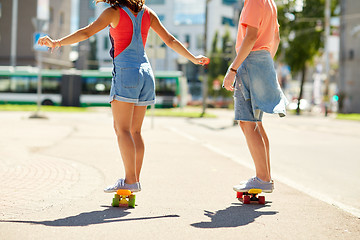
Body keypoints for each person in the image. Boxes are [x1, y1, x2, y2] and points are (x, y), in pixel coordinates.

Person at [38, 0, 208, 193]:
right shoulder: (147, 13)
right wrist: (193, 58)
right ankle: (133, 180)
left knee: (122, 130)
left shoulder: (113, 13)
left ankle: (130, 180)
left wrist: (57, 42)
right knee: (135, 131)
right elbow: (170, 40)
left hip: (127, 72)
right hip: (146, 73)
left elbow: (86, 33)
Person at [222, 0, 288, 193]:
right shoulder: (270, 3)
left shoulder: (253, 1)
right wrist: (265, 63)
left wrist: (233, 69)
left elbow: (250, 38)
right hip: (264, 60)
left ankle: (262, 178)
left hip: (250, 60)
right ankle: (265, 176)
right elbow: (275, 38)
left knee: (246, 122)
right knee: (257, 123)